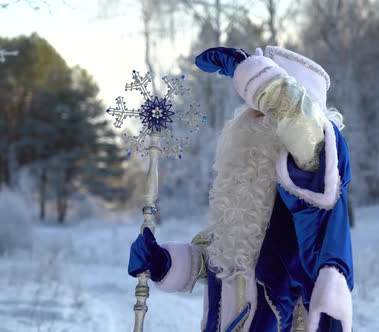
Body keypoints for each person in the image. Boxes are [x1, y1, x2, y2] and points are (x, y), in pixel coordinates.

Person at [128, 46, 354, 332]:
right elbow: (222, 261)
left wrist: (252, 73)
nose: (253, 113)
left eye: (264, 104)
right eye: (251, 106)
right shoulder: (250, 201)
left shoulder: (312, 181)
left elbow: (303, 126)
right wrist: (165, 263)